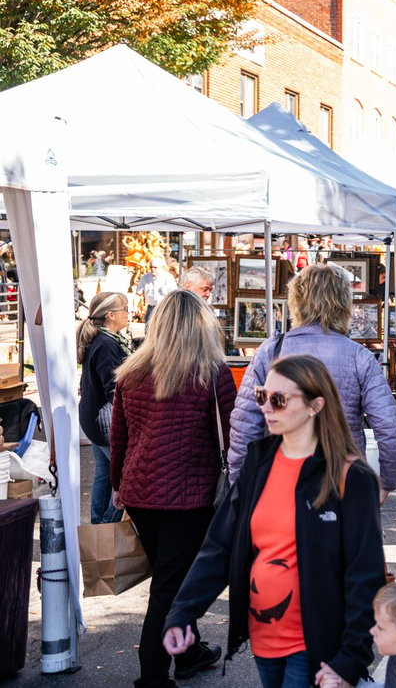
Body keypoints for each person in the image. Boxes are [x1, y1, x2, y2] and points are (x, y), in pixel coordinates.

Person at [163, 355, 385, 688]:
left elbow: (364, 575)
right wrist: (182, 613)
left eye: (279, 399)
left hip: (314, 646)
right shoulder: (258, 462)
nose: (266, 407)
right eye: (261, 396)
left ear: (315, 405)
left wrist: (350, 658)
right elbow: (220, 546)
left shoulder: (350, 477)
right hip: (264, 639)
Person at [111, 290, 235, 688]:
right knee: (170, 590)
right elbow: (233, 435)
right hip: (191, 497)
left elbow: (120, 438)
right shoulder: (212, 373)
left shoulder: (131, 373)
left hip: (140, 492)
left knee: (173, 581)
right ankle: (152, 678)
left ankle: (190, 653)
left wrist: (117, 485)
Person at [228, 263, 396, 501]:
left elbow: (245, 424)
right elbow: (388, 425)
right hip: (343, 479)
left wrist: (238, 484)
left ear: (296, 301)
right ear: (344, 303)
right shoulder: (359, 356)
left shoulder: (270, 351)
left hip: (281, 479)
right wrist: (387, 481)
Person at [77, 291, 130, 525]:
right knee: (124, 477)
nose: (130, 313)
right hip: (105, 422)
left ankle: (98, 524)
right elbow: (114, 388)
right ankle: (107, 524)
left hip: (94, 419)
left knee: (103, 474)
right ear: (110, 315)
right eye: (125, 309)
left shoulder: (100, 338)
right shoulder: (107, 343)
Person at [134, 255, 177, 322]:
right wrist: (135, 307)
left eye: (155, 267)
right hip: (151, 308)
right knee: (148, 330)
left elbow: (174, 294)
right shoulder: (145, 278)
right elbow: (138, 294)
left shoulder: (168, 278)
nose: (152, 269)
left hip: (164, 308)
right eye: (151, 267)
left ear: (161, 267)